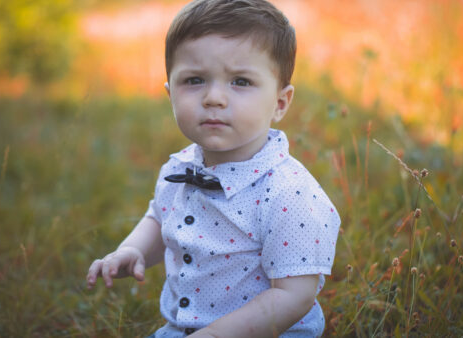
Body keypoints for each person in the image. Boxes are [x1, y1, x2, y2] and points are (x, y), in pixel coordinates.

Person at [86, 0, 340, 336]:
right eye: (194, 80)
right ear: (170, 93)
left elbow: (293, 297)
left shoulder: (288, 193)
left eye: (240, 82)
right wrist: (132, 249)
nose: (214, 98)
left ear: (280, 103)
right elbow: (159, 216)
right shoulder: (179, 168)